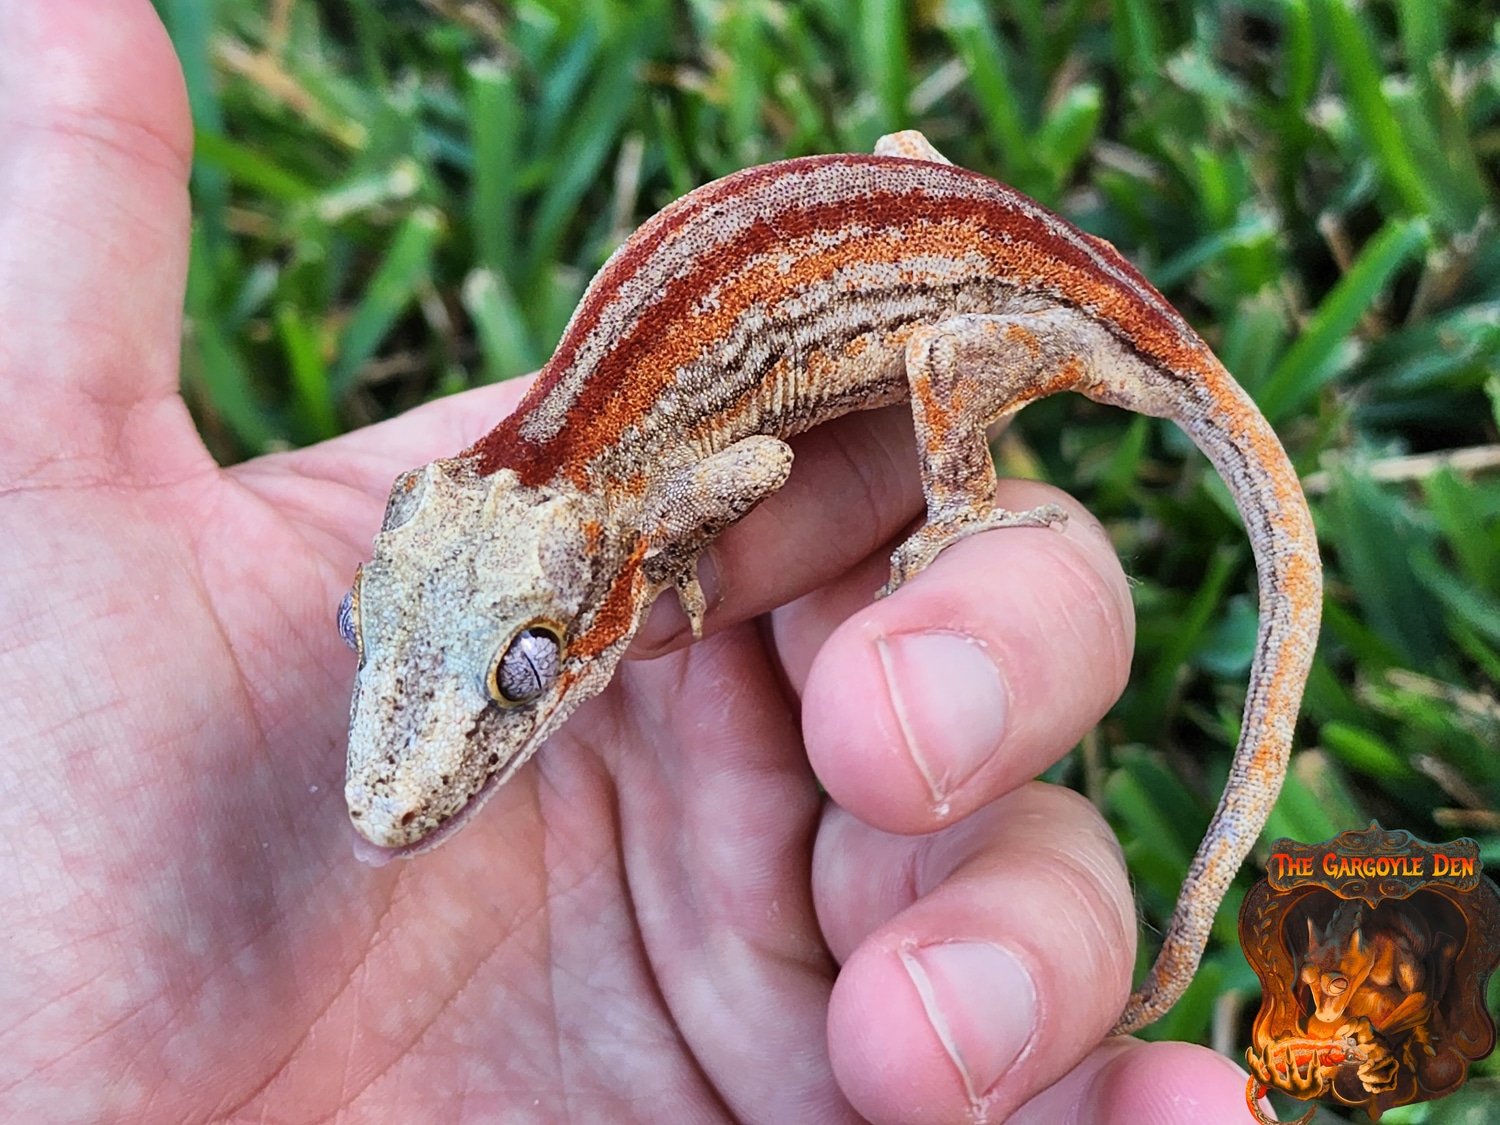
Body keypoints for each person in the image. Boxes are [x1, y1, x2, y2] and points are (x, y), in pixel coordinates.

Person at [0, 2, 1256, 1120]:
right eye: (364, 629)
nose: (394, 785)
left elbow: (760, 472)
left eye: (524, 667)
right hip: (916, 229)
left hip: (1011, 309)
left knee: (936, 377)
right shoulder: (578, 498)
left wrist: (729, 544)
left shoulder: (636, 510)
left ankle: (966, 485)